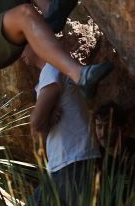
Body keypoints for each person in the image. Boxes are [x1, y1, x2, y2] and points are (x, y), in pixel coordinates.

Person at [23, 45, 102, 204]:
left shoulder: (52, 68)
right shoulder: (53, 69)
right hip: (67, 163)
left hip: (74, 161)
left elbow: (35, 122)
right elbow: (39, 132)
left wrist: (44, 121)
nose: (18, 54)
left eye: (20, 47)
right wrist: (48, 120)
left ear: (32, 43)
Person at [93, 103, 135, 202]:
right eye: (99, 126)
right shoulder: (95, 154)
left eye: (108, 127)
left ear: (122, 128)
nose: (103, 133)